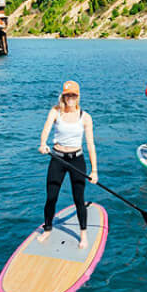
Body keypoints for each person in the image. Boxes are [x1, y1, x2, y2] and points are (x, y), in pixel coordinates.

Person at [38, 80, 98, 249]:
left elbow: (91, 144)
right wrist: (43, 144)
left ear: (78, 96)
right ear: (63, 96)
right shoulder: (55, 111)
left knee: (79, 198)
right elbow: (46, 129)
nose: (70, 98)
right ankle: (48, 229)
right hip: (57, 158)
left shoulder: (85, 117)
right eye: (67, 95)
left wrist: (94, 170)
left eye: (73, 95)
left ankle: (83, 234)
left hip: (77, 160)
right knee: (51, 197)